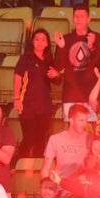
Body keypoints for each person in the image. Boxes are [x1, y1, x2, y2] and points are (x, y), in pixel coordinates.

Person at [54, 5, 100, 117]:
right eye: (76, 16)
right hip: (70, 95)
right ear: (73, 19)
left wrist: (92, 47)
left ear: (89, 19)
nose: (79, 19)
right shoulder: (66, 39)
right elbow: (58, 67)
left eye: (82, 16)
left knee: (92, 132)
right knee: (72, 132)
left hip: (91, 95)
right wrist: (61, 47)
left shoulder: (98, 38)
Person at [14, 29, 61, 159]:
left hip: (45, 106)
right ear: (32, 41)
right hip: (27, 105)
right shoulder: (26, 58)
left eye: (43, 40)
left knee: (41, 140)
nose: (40, 42)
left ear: (47, 44)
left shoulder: (49, 59)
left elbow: (57, 81)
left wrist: (57, 74)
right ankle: (19, 166)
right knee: (29, 138)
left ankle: (37, 170)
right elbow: (18, 77)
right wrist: (17, 98)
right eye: (37, 39)